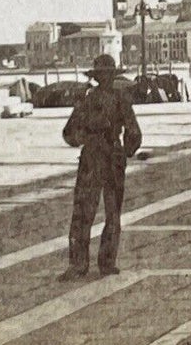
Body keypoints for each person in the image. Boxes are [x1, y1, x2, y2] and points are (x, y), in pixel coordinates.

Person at [59, 53, 143, 281]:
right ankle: (99, 263)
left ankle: (83, 264)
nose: (105, 79)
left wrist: (88, 139)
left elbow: (70, 133)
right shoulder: (111, 99)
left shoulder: (93, 99)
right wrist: (124, 150)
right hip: (104, 156)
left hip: (99, 157)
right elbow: (133, 133)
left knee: (94, 213)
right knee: (97, 212)